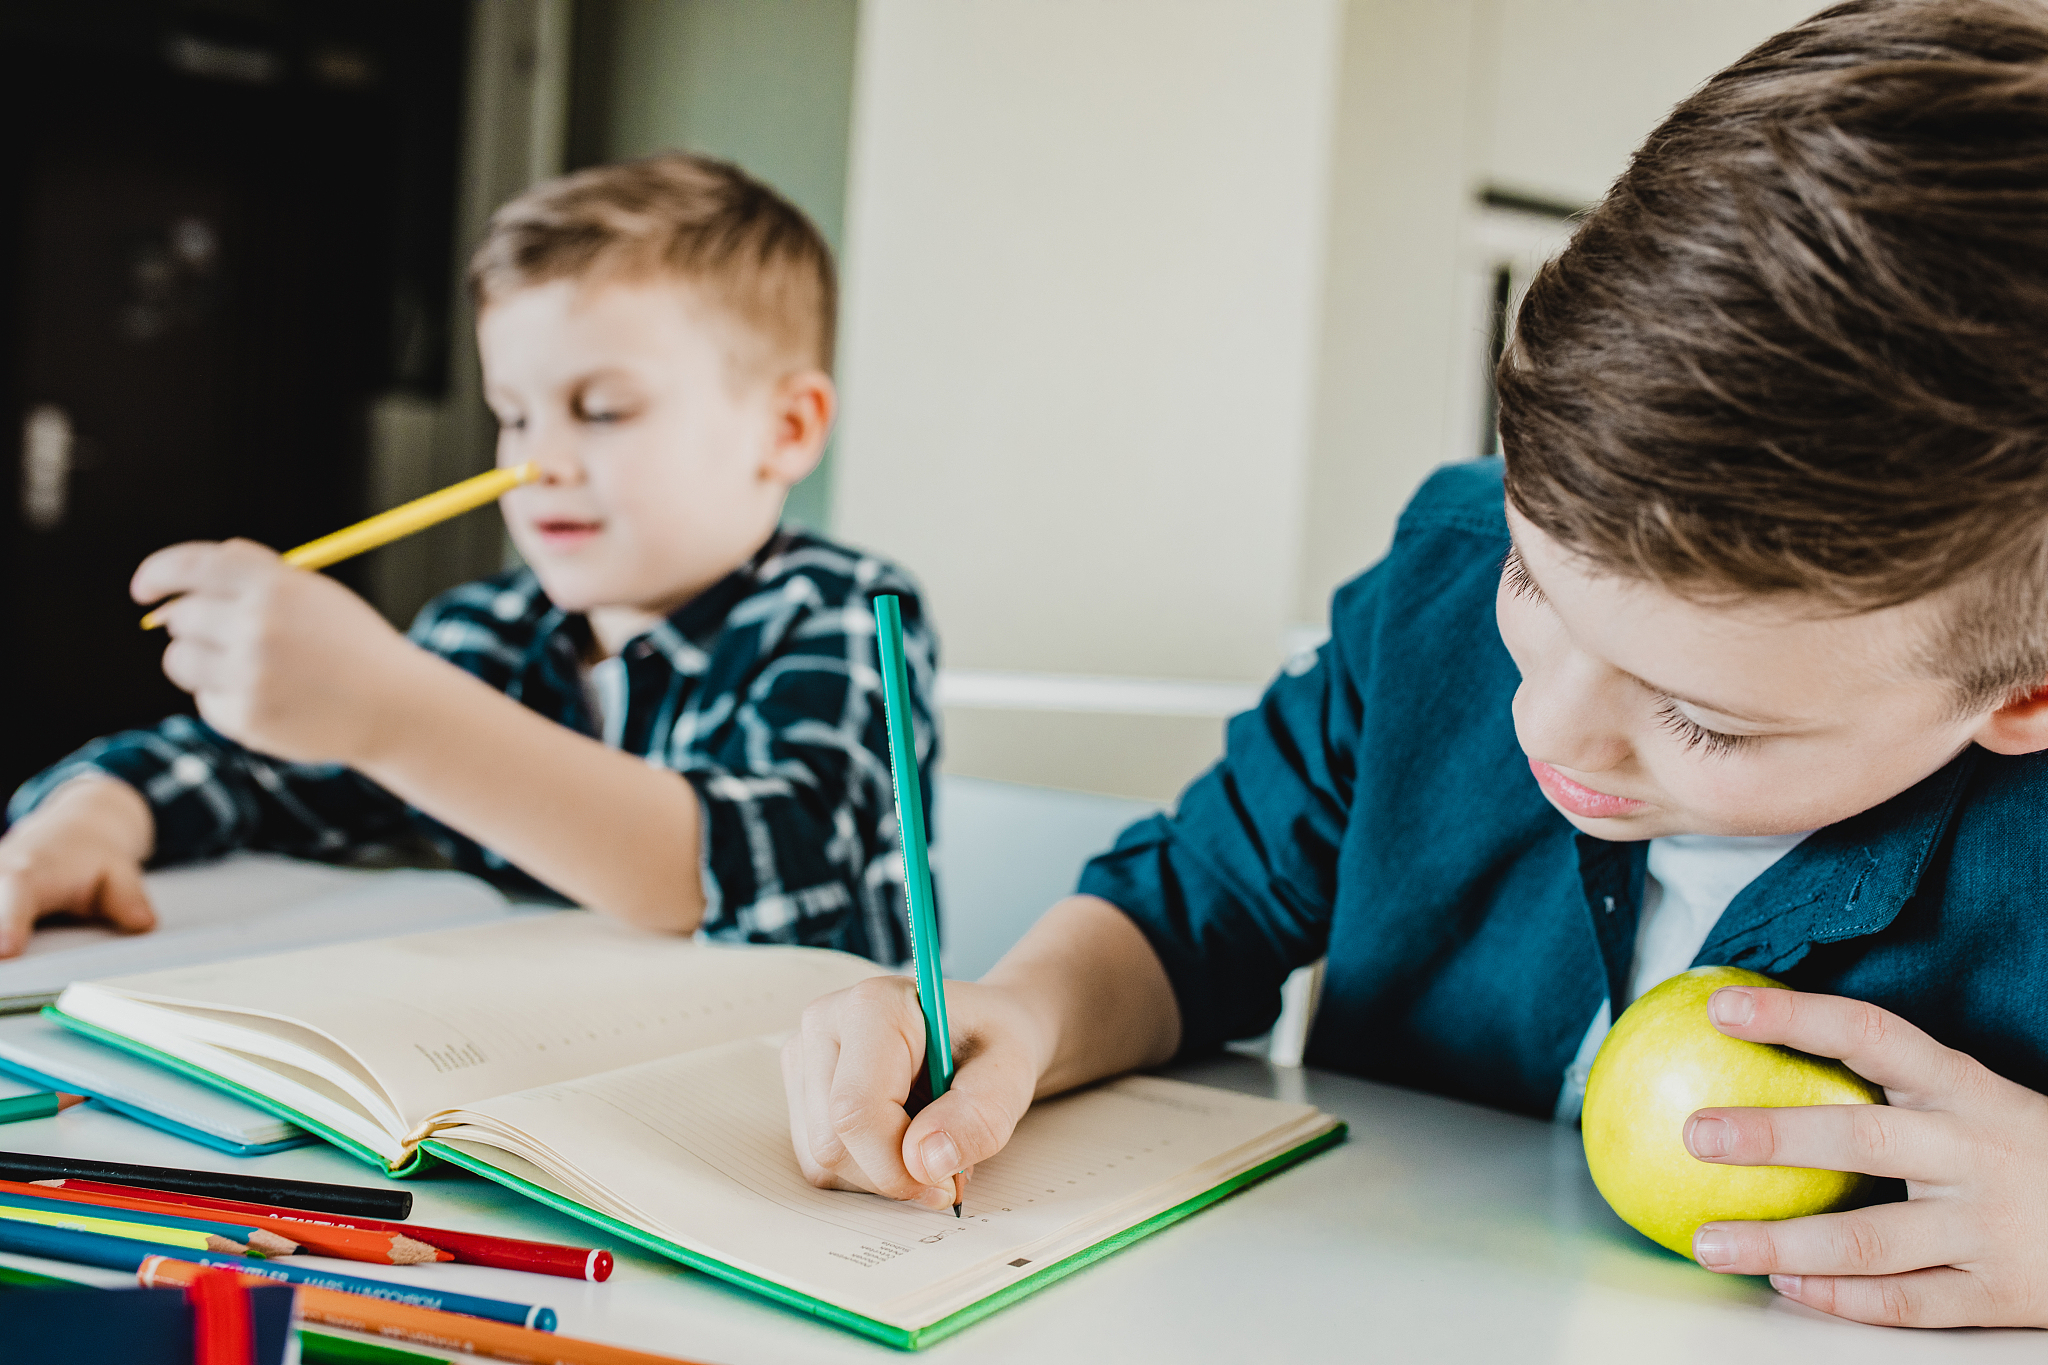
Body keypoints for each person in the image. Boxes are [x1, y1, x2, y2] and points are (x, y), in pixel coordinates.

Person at [780, 0, 2048, 1330]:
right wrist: (1023, 1015)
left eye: (1699, 719)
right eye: (1532, 584)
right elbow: (1191, 911)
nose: (1547, 725)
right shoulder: (1436, 584)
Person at [1, 153, 937, 966]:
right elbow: (252, 771)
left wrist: (395, 711)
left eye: (603, 409)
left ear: (786, 427)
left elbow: (748, 863)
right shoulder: (486, 632)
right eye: (515, 414)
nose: (538, 463)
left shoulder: (846, 612)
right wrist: (92, 817)